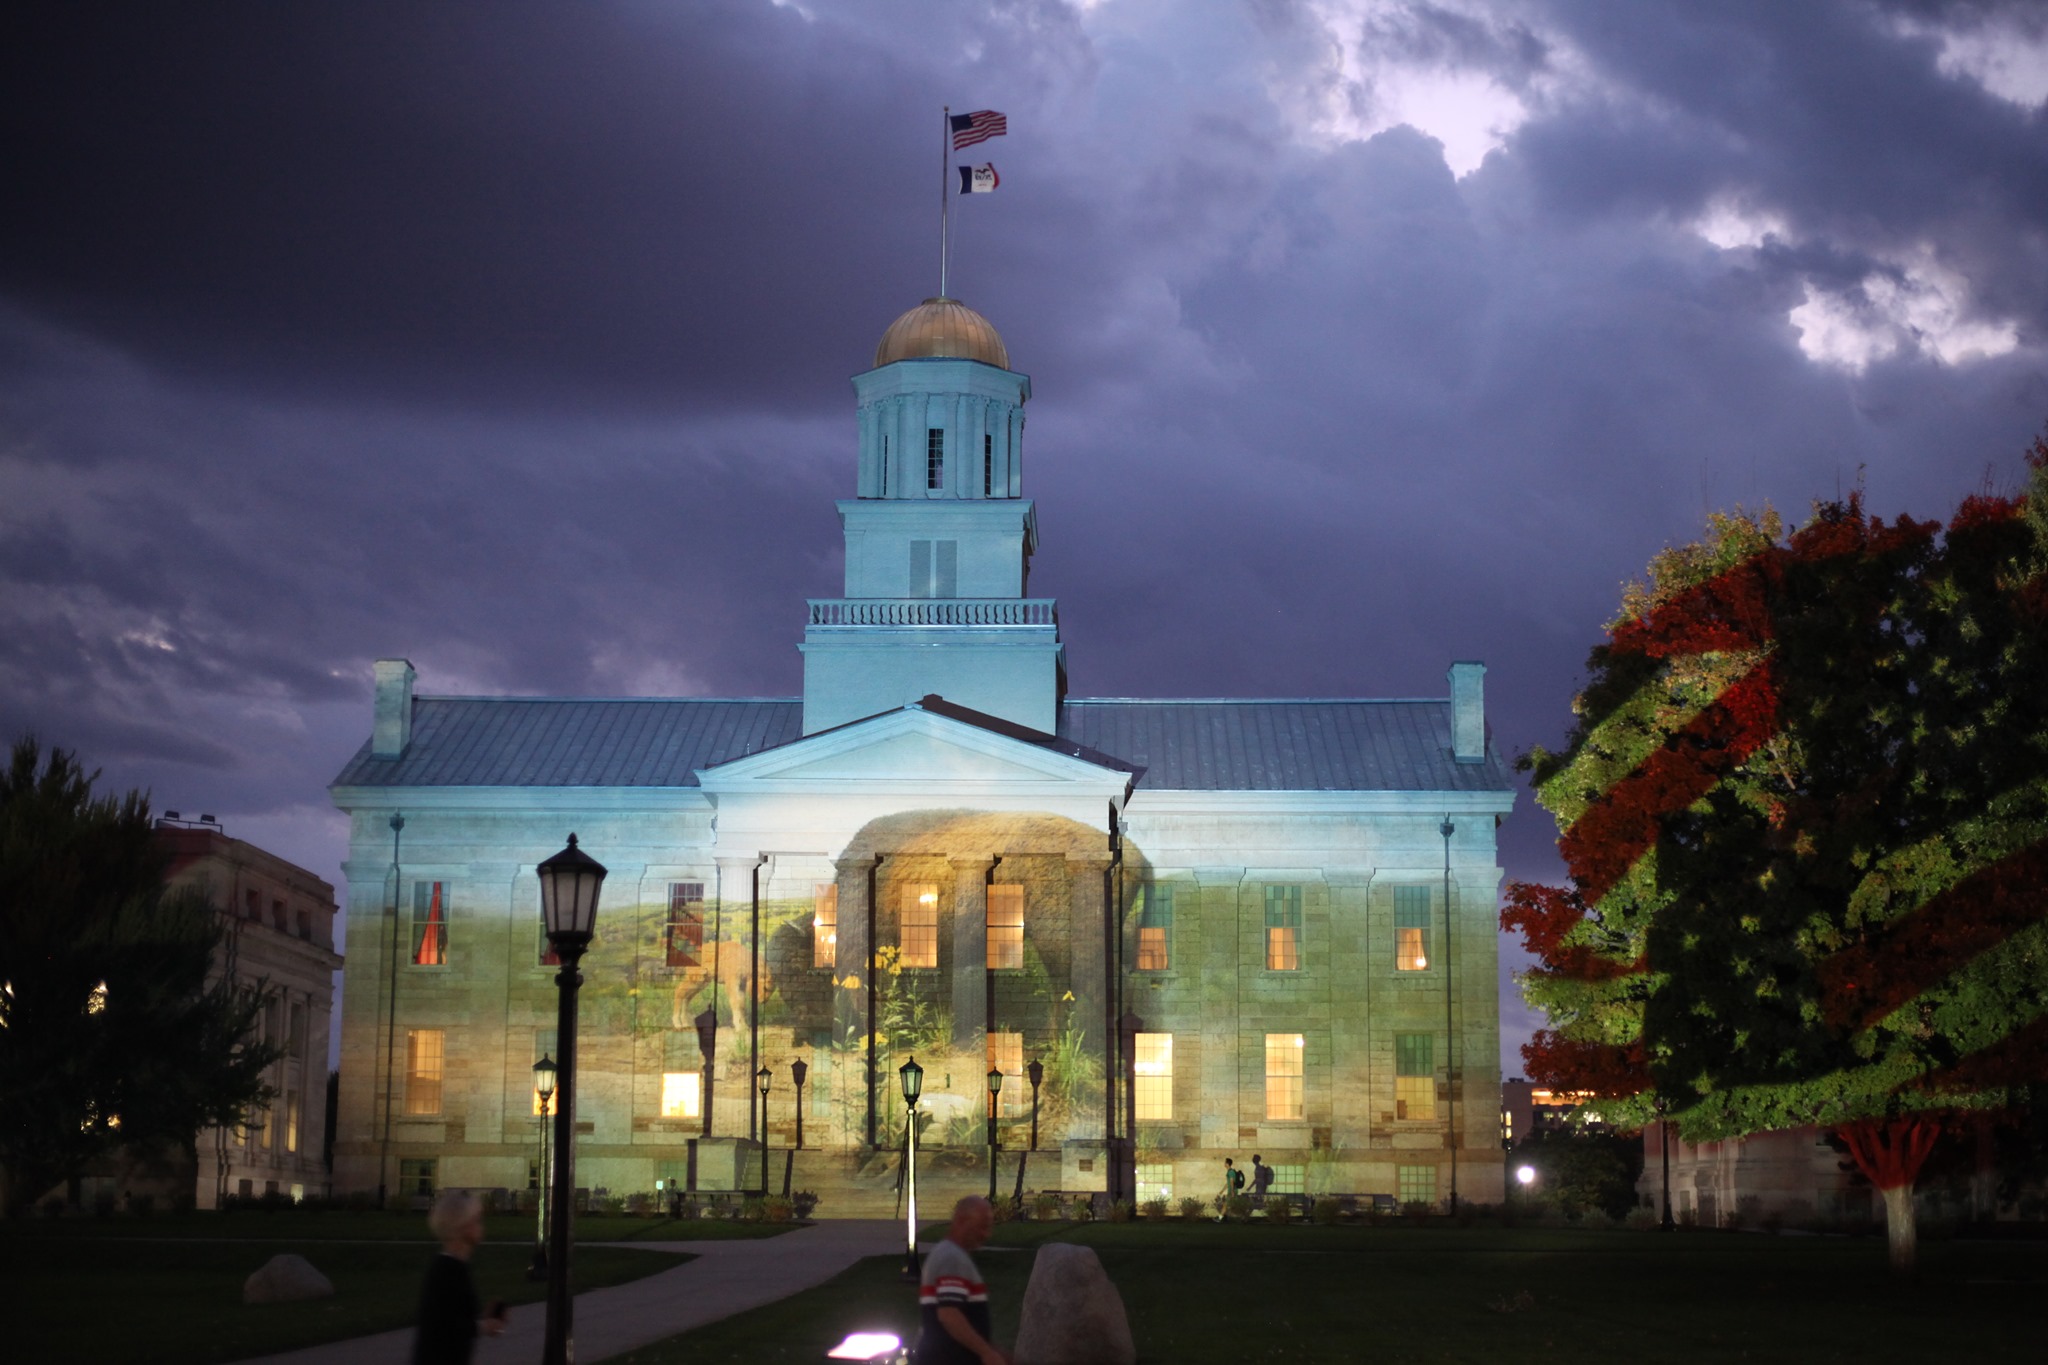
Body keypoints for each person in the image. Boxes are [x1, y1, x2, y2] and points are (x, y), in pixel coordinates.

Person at [412, 1189, 507, 1365]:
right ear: (462, 1225)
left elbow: (455, 1318)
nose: (481, 1225)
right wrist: (484, 1326)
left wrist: (485, 1320)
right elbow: (444, 1327)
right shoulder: (445, 1270)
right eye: (477, 1220)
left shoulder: (456, 1267)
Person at [913, 1194, 1009, 1365]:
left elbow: (966, 1318)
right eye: (981, 1227)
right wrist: (987, 1353)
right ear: (961, 1221)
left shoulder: (949, 1254)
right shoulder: (952, 1258)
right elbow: (949, 1314)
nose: (986, 1234)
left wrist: (997, 1352)